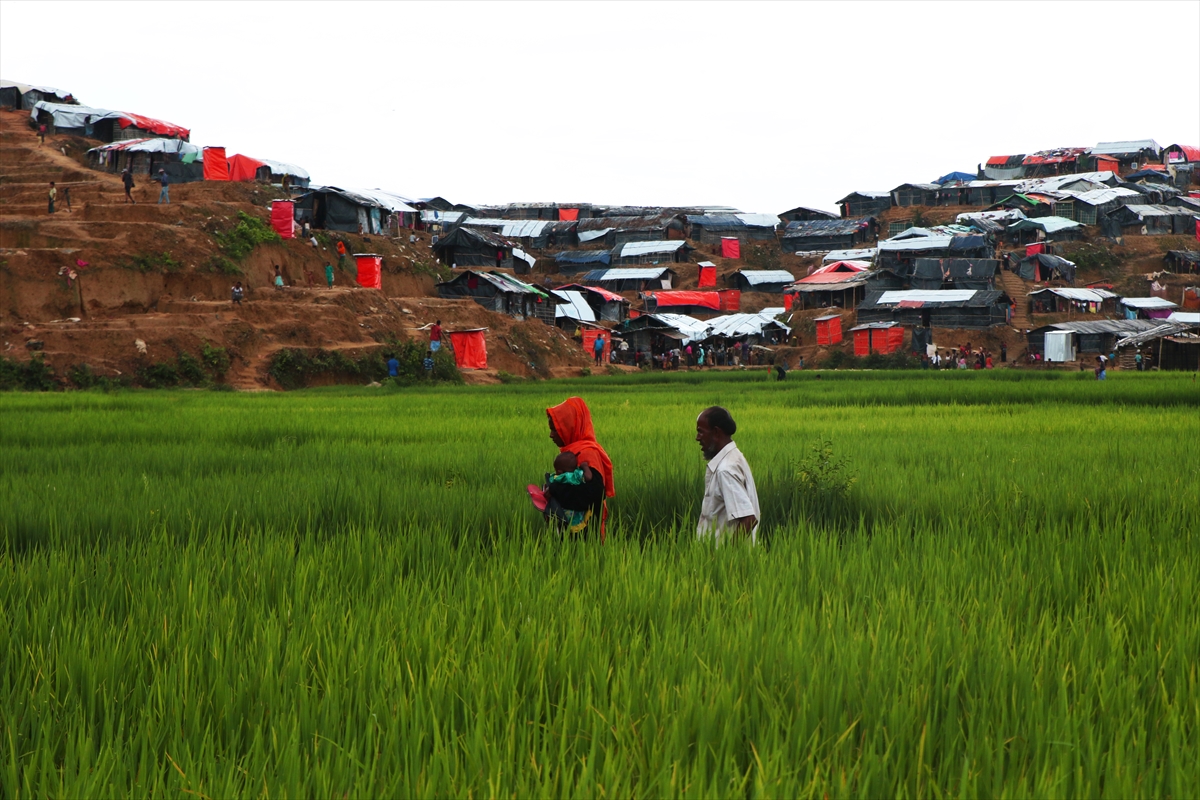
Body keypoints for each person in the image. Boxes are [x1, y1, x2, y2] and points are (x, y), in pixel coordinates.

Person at [545, 397, 615, 541]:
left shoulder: (586, 454)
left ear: (569, 427)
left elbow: (592, 493)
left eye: (555, 429)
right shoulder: (573, 451)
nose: (551, 435)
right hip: (571, 533)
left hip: (586, 535)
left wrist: (554, 489)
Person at [695, 406, 760, 544]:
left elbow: (748, 519)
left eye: (701, 432)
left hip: (725, 561)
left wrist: (728, 556)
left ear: (716, 432)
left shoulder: (726, 469)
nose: (697, 438)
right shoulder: (734, 458)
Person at [541, 452, 593, 535]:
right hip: (579, 513)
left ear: (559, 471)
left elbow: (551, 486)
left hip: (566, 512)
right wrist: (585, 466)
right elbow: (589, 477)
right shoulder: (577, 474)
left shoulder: (560, 477)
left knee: (564, 529)